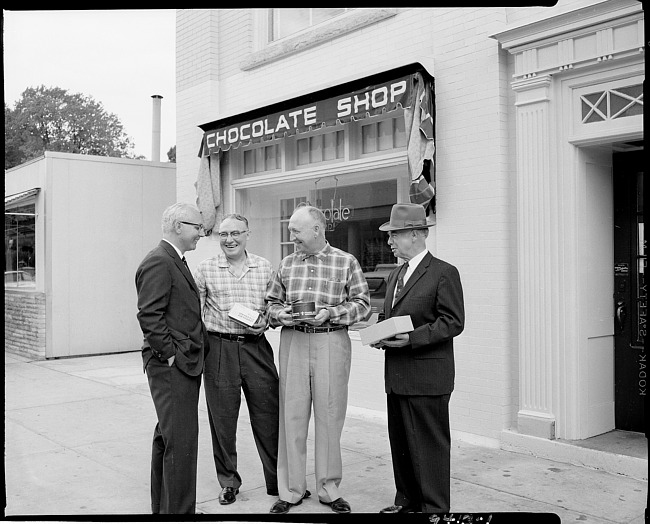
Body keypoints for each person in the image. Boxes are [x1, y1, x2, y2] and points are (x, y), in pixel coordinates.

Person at [265, 204, 370, 515]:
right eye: (290, 231)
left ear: (317, 230)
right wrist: (278, 314)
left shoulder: (345, 262)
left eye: (296, 231)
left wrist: (332, 313)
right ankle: (291, 491)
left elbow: (362, 305)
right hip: (294, 340)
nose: (292, 235)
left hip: (330, 340)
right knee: (291, 417)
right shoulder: (285, 263)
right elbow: (271, 303)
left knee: (329, 415)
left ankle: (328, 488)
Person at [372, 203, 465, 515]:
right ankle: (408, 503)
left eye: (394, 234)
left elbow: (453, 322)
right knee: (401, 444)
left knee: (429, 447)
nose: (389, 241)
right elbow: (391, 316)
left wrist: (410, 339)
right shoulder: (395, 274)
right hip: (397, 377)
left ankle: (435, 510)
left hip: (428, 378)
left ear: (415, 234)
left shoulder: (443, 273)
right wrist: (379, 334)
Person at [194, 214, 279, 505]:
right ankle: (228, 482)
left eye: (235, 233)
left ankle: (277, 480)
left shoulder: (264, 266)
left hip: (257, 348)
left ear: (247, 234)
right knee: (223, 420)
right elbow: (195, 314)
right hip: (220, 349)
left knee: (269, 416)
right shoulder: (205, 268)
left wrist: (265, 322)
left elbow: (273, 306)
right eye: (224, 234)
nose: (229, 239)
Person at [135, 202, 209, 514]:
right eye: (196, 227)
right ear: (178, 226)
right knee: (181, 443)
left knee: (169, 438)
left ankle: (164, 511)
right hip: (172, 367)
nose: (201, 234)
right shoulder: (159, 261)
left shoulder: (173, 259)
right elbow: (149, 316)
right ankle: (180, 516)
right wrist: (170, 356)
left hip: (180, 364)